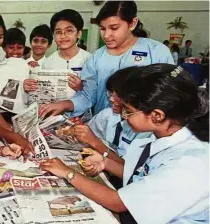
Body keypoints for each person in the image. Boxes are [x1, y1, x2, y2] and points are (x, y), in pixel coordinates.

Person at [40, 64, 209, 224]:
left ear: (157, 115)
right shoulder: (159, 134)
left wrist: (67, 173)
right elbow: (140, 174)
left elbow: (118, 202)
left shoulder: (189, 163)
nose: (124, 116)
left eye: (128, 110)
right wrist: (105, 162)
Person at [39, 1, 174, 118]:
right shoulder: (96, 58)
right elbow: (87, 96)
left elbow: (172, 86)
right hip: (104, 127)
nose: (107, 35)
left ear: (132, 23)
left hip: (144, 132)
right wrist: (63, 104)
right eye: (102, 29)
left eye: (114, 28)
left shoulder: (156, 51)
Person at [25, 9, 91, 102]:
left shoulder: (90, 60)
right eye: (58, 32)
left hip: (82, 114)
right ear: (54, 36)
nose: (63, 36)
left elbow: (96, 93)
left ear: (79, 34)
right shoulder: (47, 63)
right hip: (54, 114)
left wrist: (81, 88)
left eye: (69, 31)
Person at [0, 28, 30, 116]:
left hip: (22, 112)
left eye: (20, 48)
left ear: (24, 48)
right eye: (11, 47)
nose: (15, 51)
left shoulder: (28, 66)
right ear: (4, 47)